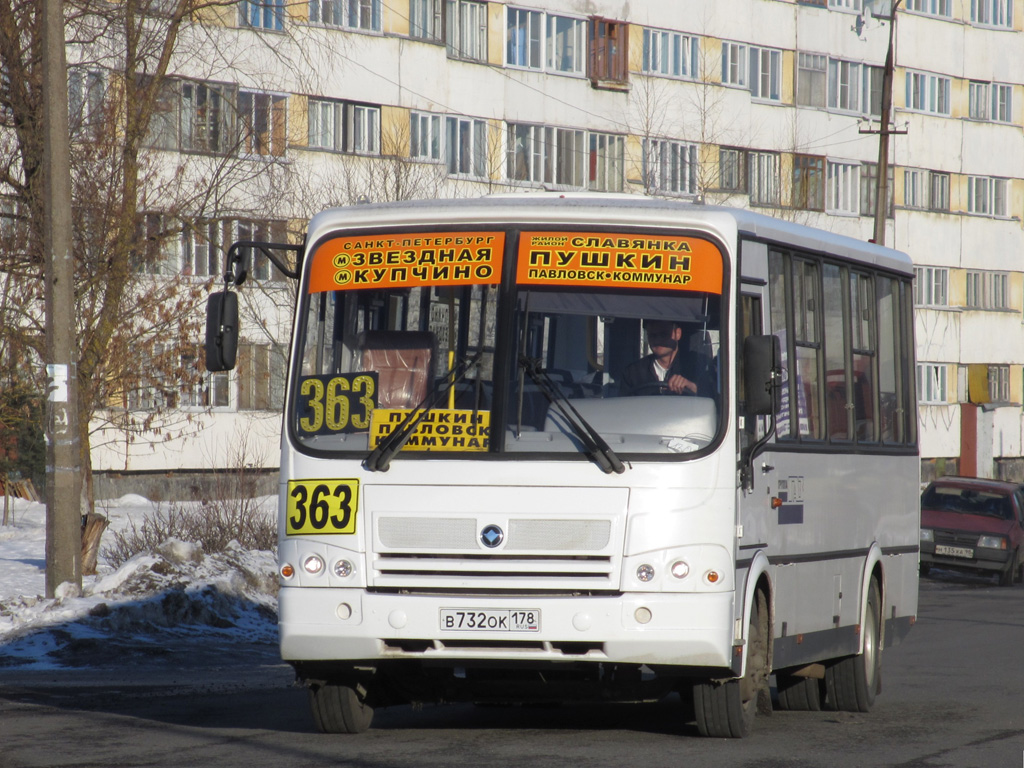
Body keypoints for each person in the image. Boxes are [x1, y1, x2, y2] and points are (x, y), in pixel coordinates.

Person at [620, 319, 711, 396]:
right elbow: (623, 409)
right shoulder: (633, 372)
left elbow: (715, 401)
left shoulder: (698, 367)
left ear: (678, 334)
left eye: (664, 334)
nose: (658, 340)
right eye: (652, 335)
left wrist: (692, 387)